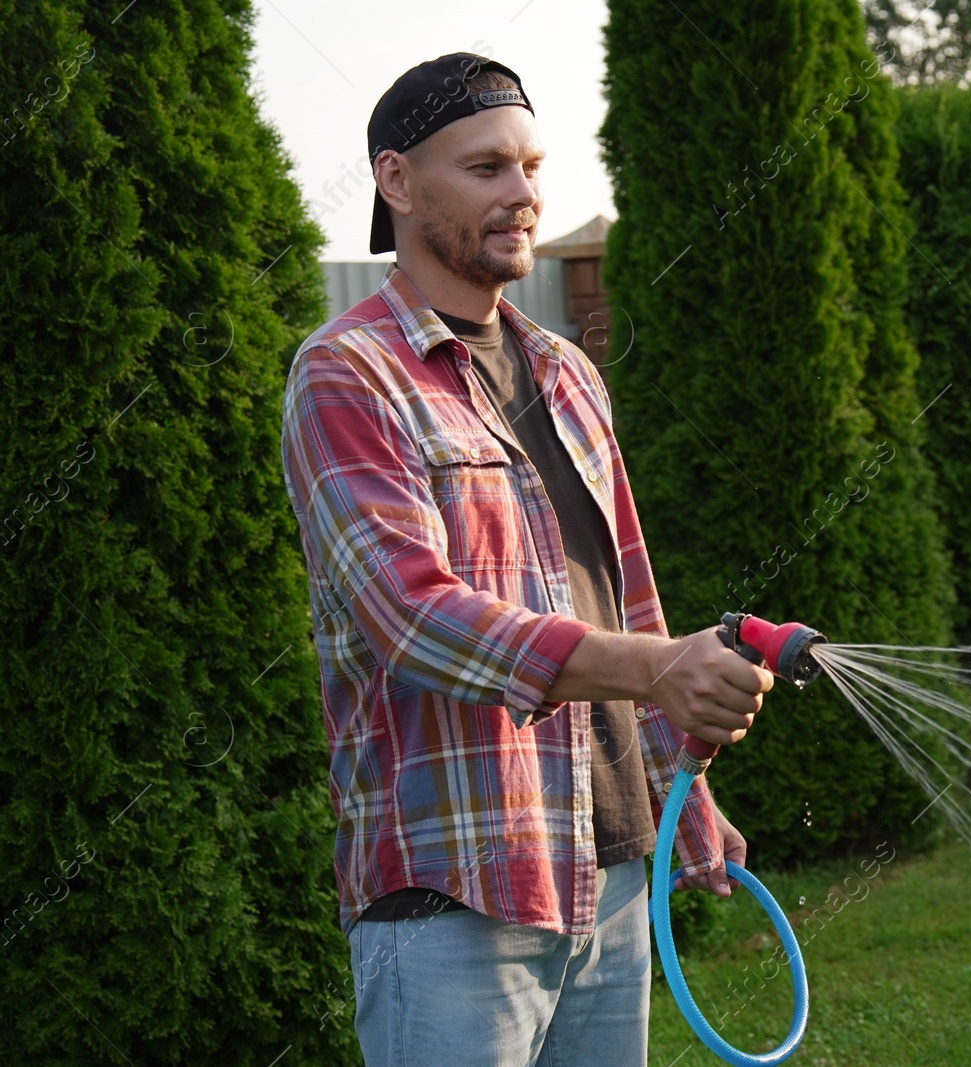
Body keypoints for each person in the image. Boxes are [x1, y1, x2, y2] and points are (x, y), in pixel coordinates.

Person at [279, 51, 770, 1067]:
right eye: (487, 168)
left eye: (532, 166)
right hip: (455, 884)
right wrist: (662, 668)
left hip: (612, 859)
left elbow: (628, 588)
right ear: (398, 181)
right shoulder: (347, 373)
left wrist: (686, 783)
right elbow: (412, 613)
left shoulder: (566, 369)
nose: (524, 196)